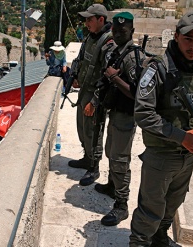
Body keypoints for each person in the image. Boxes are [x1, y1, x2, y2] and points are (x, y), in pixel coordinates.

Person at [129, 12, 193, 247]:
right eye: (189, 39)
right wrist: (182, 137)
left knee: (173, 202)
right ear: (177, 37)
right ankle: (139, 242)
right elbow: (143, 114)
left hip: (188, 156)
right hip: (162, 154)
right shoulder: (158, 69)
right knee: (151, 208)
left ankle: (159, 238)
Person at [92, 12, 142, 226]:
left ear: (131, 31)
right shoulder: (117, 52)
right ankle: (112, 186)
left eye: (124, 30)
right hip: (115, 112)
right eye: (116, 30)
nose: (119, 33)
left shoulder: (132, 57)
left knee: (120, 159)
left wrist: (114, 77)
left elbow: (136, 91)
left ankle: (122, 204)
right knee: (110, 152)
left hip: (126, 115)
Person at [67, 4, 113, 186]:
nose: (86, 23)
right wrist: (76, 76)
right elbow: (82, 59)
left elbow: (107, 76)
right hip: (84, 91)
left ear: (101, 20)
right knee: (82, 128)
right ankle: (86, 157)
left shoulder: (108, 42)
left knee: (94, 131)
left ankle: (94, 167)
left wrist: (94, 101)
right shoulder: (90, 37)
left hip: (96, 95)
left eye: (89, 19)